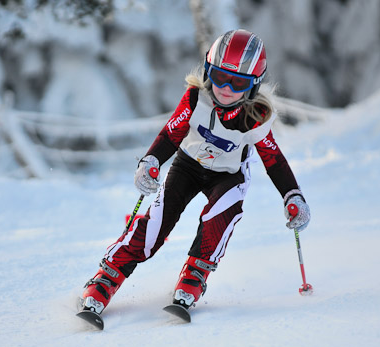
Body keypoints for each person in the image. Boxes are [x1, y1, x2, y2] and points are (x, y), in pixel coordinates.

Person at [79, 29, 310, 316]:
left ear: (253, 85)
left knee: (221, 215)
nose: (225, 88)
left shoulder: (255, 117)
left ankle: (195, 275)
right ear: (208, 71)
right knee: (157, 224)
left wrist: (293, 195)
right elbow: (172, 134)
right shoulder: (195, 98)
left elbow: (273, 159)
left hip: (228, 175)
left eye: (238, 82)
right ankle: (106, 277)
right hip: (188, 165)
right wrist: (151, 161)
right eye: (218, 76)